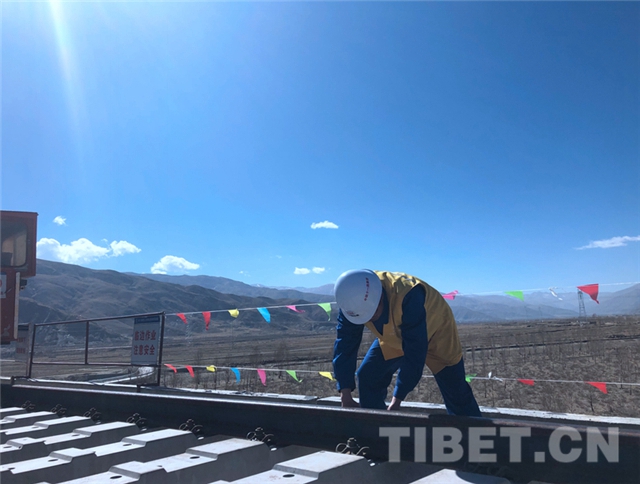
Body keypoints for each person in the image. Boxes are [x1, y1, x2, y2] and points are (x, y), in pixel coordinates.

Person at [332, 269, 481, 416]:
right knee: (368, 376)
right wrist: (345, 393)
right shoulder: (350, 305)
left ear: (380, 296)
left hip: (438, 331)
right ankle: (376, 427)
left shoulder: (409, 294)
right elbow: (344, 346)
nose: (370, 320)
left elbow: (415, 352)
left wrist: (397, 399)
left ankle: (473, 430)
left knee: (456, 390)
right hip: (393, 334)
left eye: (373, 313)